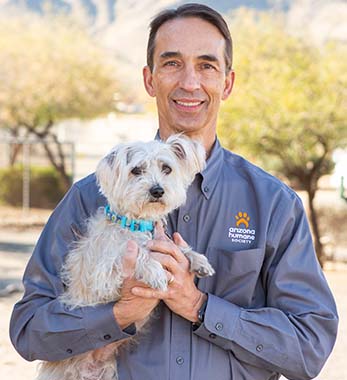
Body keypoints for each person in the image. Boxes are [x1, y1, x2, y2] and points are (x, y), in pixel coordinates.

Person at [10, 3, 338, 380]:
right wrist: (119, 314)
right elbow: (28, 329)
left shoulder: (274, 204)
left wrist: (199, 305)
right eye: (172, 63)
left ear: (227, 83)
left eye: (206, 65)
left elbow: (310, 345)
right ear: (149, 80)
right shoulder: (88, 199)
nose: (190, 83)